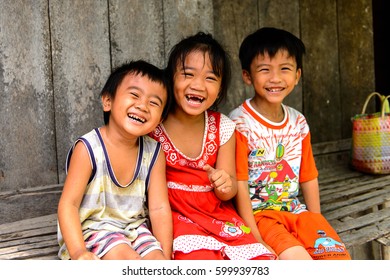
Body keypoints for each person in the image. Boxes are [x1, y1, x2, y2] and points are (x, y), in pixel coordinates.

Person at [149, 32, 276, 260]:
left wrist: (224, 184)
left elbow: (229, 192)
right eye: (188, 74)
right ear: (170, 78)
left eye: (210, 78)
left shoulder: (223, 127)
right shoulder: (153, 126)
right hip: (175, 217)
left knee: (259, 261)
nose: (198, 85)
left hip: (217, 215)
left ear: (220, 88)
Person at [229, 27, 351, 260]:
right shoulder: (239, 123)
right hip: (261, 216)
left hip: (296, 211)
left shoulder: (298, 122)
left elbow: (308, 176)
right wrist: (255, 236)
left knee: (337, 260)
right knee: (299, 263)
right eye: (264, 70)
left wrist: (316, 222)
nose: (275, 78)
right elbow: (240, 184)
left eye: (285, 69)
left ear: (297, 75)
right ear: (247, 76)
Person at [57, 60, 173, 260]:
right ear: (107, 101)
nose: (143, 106)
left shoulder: (154, 152)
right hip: (92, 230)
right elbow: (68, 205)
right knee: (128, 260)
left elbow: (159, 208)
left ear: (160, 119)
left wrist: (165, 255)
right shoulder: (89, 148)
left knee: (156, 261)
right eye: (134, 95)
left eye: (154, 103)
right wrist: (79, 253)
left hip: (136, 230)